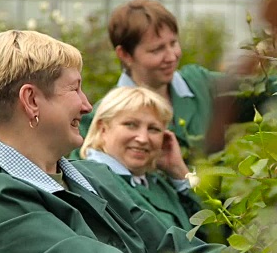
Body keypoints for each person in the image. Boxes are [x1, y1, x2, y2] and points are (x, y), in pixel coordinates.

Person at [0, 30, 266, 253]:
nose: (86, 105)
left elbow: (165, 243)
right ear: (31, 100)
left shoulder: (89, 177)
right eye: (75, 88)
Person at [69, 0, 277, 160]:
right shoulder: (105, 117)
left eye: (173, 43)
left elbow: (266, 91)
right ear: (125, 55)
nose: (171, 56)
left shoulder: (201, 85)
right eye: (156, 50)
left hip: (217, 216)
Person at [79, 86, 201, 234]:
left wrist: (179, 172)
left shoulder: (156, 182)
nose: (143, 139)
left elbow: (216, 231)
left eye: (154, 129)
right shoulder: (93, 181)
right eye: (131, 125)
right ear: (103, 129)